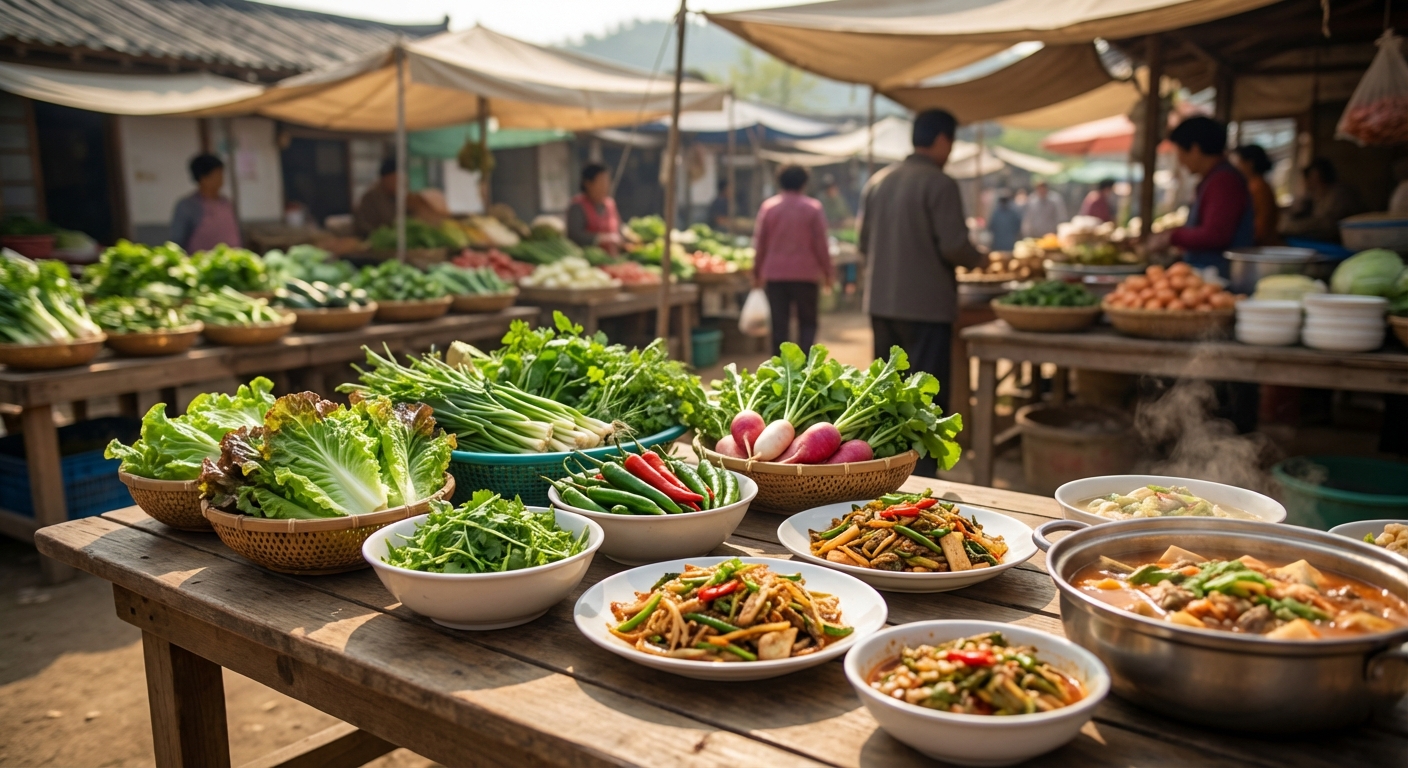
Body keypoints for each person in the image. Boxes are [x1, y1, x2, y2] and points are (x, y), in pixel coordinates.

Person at [858, 109, 983, 476]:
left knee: (888, 394)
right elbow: (954, 246)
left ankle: (887, 470)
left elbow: (865, 242)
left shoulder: (878, 181)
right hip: (926, 307)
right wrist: (981, 258)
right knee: (926, 399)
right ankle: (925, 476)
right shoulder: (940, 183)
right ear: (943, 140)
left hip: (882, 303)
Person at [1146, 116, 1253, 277]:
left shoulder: (1223, 181)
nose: (1180, 161)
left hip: (1220, 276)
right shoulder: (1213, 178)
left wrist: (1172, 237)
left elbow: (1216, 235)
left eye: (1180, 152)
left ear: (1195, 150)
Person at [752, 164, 832, 353]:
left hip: (775, 275)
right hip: (806, 275)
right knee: (808, 322)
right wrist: (828, 273)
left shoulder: (769, 208)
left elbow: (760, 244)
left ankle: (780, 370)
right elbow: (821, 245)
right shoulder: (813, 208)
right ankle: (804, 367)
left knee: (779, 326)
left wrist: (756, 273)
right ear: (804, 183)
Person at [171, 154, 241, 251]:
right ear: (203, 178)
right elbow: (177, 241)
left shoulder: (226, 203)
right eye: (217, 174)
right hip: (200, 264)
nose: (221, 178)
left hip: (231, 263)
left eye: (221, 174)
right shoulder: (188, 206)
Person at [1282, 158, 1364, 242]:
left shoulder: (1339, 194)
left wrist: (1291, 227)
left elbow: (1328, 225)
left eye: (1315, 176)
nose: (1310, 181)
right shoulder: (1315, 195)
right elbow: (1296, 210)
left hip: (1343, 239)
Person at [354, 158, 437, 237]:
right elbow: (364, 227)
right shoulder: (371, 198)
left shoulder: (408, 197)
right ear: (384, 179)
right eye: (395, 180)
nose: (400, 183)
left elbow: (424, 220)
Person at [1231, 144, 1281, 246]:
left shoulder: (1258, 188)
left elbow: (1260, 228)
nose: (1237, 166)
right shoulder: (1254, 186)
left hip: (1262, 247)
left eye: (1240, 162)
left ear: (1250, 163)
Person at [567, 163, 622, 255]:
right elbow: (575, 235)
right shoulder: (577, 206)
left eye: (607, 182)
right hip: (588, 261)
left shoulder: (610, 204)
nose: (606, 186)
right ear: (588, 184)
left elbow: (619, 228)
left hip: (612, 259)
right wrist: (601, 239)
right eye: (601, 182)